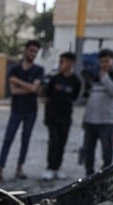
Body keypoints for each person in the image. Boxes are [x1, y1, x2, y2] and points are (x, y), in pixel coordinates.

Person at [0, 39, 45, 182]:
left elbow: (35, 89)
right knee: (8, 139)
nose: (33, 53)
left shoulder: (39, 70)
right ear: (25, 50)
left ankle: (19, 169)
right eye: (31, 50)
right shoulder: (14, 69)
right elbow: (14, 91)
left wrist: (18, 82)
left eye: (35, 51)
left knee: (25, 140)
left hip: (31, 111)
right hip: (16, 110)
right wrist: (29, 88)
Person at [80, 48, 113, 176]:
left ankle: (106, 173)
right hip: (91, 120)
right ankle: (89, 173)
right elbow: (90, 98)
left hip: (106, 121)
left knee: (107, 150)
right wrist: (85, 118)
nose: (104, 64)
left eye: (107, 61)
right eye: (101, 61)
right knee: (89, 149)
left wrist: (105, 78)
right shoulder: (94, 74)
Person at [41, 51, 82, 181]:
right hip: (52, 117)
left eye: (64, 62)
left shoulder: (76, 81)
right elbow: (46, 96)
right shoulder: (54, 78)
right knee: (53, 142)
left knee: (61, 144)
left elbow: (75, 97)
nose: (61, 64)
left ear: (71, 63)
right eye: (60, 61)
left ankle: (57, 168)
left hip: (65, 117)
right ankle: (49, 167)